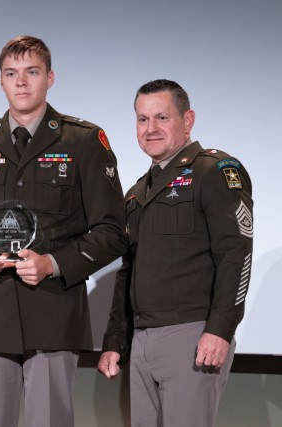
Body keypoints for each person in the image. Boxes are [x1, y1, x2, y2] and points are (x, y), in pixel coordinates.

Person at [0, 35, 127, 427]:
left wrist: (53, 263)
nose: (21, 82)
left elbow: (113, 231)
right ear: (0, 81)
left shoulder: (83, 140)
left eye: (31, 72)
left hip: (54, 313)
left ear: (50, 78)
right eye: (11, 74)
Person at [98, 79, 254, 426]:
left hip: (193, 336)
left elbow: (236, 253)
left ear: (188, 120)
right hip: (142, 341)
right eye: (142, 119)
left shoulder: (214, 171)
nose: (150, 129)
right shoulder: (137, 192)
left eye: (161, 118)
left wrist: (220, 329)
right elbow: (129, 271)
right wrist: (115, 340)